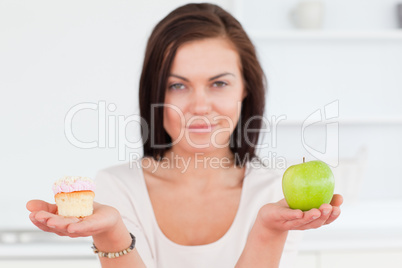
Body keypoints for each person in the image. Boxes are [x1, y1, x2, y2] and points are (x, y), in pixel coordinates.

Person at [27, 3, 343, 268]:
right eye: (178, 85)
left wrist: (268, 231)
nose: (199, 106)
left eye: (219, 83)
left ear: (245, 89)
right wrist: (111, 233)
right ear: (156, 94)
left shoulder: (277, 193)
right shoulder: (117, 187)